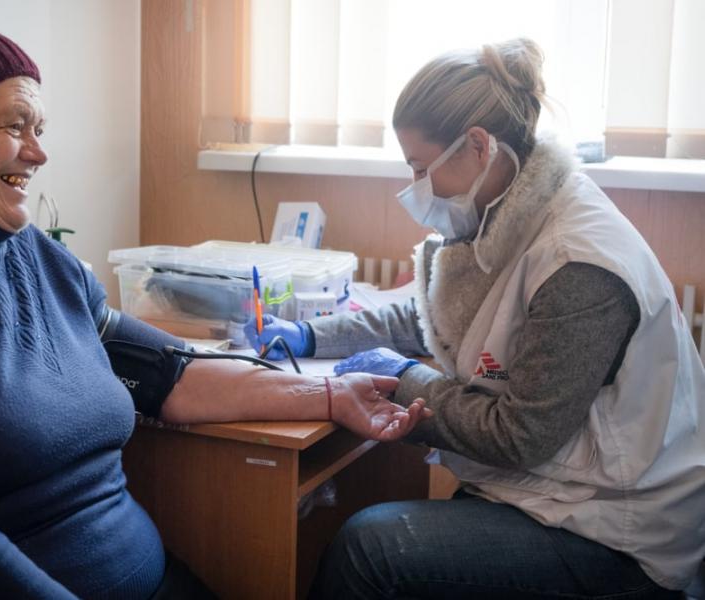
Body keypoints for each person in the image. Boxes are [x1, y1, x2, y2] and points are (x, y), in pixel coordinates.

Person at [0, 4, 432, 598]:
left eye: (39, 128)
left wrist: (328, 394)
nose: (39, 150)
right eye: (13, 124)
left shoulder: (36, 257)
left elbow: (170, 373)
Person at [246, 38, 705, 599]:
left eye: (419, 167)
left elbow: (519, 436)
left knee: (370, 547)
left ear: (478, 146)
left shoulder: (578, 264)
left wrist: (404, 378)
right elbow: (433, 314)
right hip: (558, 493)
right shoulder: (502, 212)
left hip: (619, 532)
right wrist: (313, 333)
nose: (416, 187)